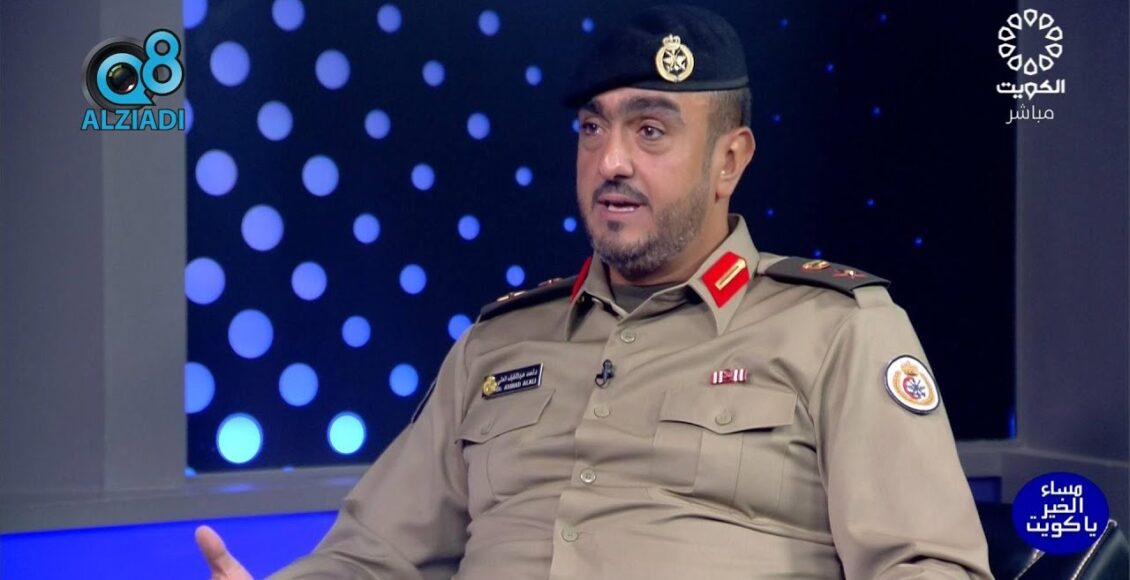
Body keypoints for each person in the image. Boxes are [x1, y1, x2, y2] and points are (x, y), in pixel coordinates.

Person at [197, 5, 993, 578]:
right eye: (592, 128)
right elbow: (372, 557)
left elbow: (927, 566)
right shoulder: (498, 344)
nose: (611, 160)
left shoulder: (837, 330)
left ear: (729, 160)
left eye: (650, 130)